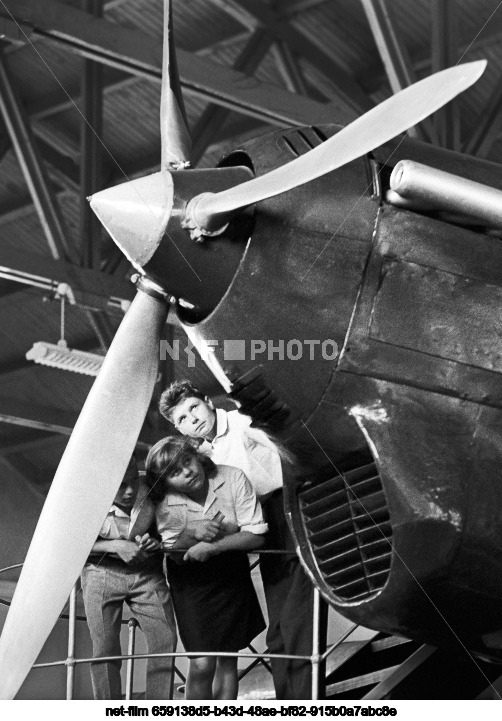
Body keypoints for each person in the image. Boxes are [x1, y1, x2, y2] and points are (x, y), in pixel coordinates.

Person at [158, 380, 317, 700]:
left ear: (207, 401)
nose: (193, 418)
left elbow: (295, 451)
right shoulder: (202, 453)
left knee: (297, 619)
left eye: (194, 407)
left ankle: (303, 700)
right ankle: (288, 701)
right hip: (256, 523)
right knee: (279, 630)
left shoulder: (243, 424)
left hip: (285, 509)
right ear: (179, 428)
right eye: (183, 419)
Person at [145, 436, 267, 700]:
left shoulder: (233, 477)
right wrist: (190, 533)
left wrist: (214, 546)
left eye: (187, 461)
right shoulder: (165, 502)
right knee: (201, 664)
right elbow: (175, 555)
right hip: (190, 582)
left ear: (196, 456)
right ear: (165, 481)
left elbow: (257, 534)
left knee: (227, 658)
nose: (187, 473)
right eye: (175, 472)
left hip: (229, 571)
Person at [81, 455, 177, 700]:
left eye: (134, 478)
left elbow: (172, 528)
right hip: (100, 574)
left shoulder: (154, 489)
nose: (131, 490)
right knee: (105, 649)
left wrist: (156, 543)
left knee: (164, 640)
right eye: (121, 485)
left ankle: (158, 710)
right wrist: (113, 546)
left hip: (147, 573)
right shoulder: (83, 498)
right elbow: (69, 543)